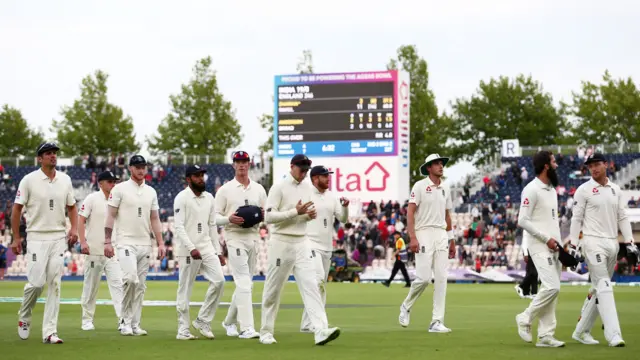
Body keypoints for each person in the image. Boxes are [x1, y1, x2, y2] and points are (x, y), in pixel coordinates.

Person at [260, 154, 340, 345]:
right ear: (292, 167)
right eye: (301, 169)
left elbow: (303, 214)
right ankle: (266, 332)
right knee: (273, 289)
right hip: (281, 242)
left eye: (306, 169)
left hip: (302, 241)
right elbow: (268, 217)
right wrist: (296, 212)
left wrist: (307, 215)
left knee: (312, 285)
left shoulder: (307, 187)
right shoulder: (279, 187)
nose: (304, 173)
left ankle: (320, 330)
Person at [12, 142, 78, 344]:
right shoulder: (28, 180)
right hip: (36, 236)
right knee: (36, 283)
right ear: (39, 158)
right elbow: (16, 210)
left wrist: (74, 229)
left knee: (55, 284)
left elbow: (72, 207)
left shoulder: (65, 180)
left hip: (58, 237)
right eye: (48, 153)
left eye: (54, 153)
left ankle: (50, 332)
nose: (53, 156)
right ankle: (24, 315)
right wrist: (16, 237)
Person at [570, 153, 633, 347]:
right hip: (592, 242)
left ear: (606, 165)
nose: (594, 169)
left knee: (598, 288)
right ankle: (614, 334)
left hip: (612, 244)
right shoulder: (583, 190)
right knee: (605, 285)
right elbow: (576, 219)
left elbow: (622, 217)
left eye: (597, 164)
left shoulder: (615, 190)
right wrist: (573, 243)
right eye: (590, 166)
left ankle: (581, 331)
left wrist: (630, 242)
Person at [104, 155, 166, 336]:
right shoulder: (120, 189)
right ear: (130, 168)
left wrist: (160, 243)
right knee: (130, 279)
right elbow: (110, 216)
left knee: (140, 286)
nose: (141, 170)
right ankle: (124, 320)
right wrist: (107, 241)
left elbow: (155, 218)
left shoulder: (151, 192)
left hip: (144, 243)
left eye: (143, 167)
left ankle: (135, 324)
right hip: (125, 241)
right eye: (137, 167)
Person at [398, 154, 456, 333]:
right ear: (428, 168)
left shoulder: (445, 187)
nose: (440, 166)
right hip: (423, 233)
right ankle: (406, 305)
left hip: (441, 234)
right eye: (436, 164)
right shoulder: (420, 186)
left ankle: (436, 321)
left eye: (441, 163)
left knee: (441, 278)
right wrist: (412, 237)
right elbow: (410, 213)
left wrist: (451, 239)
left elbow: (447, 216)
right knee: (423, 279)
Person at [515, 150, 565, 348]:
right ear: (546, 165)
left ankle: (545, 336)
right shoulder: (531, 189)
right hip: (539, 245)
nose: (556, 165)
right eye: (553, 161)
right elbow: (522, 220)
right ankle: (525, 317)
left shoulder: (552, 189)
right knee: (552, 286)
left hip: (555, 247)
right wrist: (546, 239)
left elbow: (551, 221)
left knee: (551, 291)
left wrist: (561, 246)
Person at [217, 151, 267, 339]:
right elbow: (213, 218)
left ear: (249, 164)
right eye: (238, 162)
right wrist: (228, 219)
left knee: (247, 285)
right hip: (234, 237)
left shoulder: (259, 189)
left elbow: (266, 213)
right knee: (244, 283)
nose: (241, 165)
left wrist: (261, 217)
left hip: (253, 238)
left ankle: (229, 321)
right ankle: (247, 328)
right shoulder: (225, 190)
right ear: (233, 165)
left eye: (244, 161)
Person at [174, 165, 226, 340]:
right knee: (185, 290)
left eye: (202, 175)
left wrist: (218, 251)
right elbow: (179, 227)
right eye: (197, 176)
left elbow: (212, 225)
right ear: (188, 179)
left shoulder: (209, 197)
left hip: (206, 247)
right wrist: (191, 248)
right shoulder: (182, 198)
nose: (201, 179)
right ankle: (183, 330)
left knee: (219, 281)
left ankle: (203, 320)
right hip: (188, 250)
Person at [300, 165, 349, 333]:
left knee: (321, 285)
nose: (328, 178)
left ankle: (307, 324)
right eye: (324, 176)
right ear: (315, 178)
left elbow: (343, 218)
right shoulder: (306, 194)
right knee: (318, 280)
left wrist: (345, 207)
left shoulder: (331, 197)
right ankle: (319, 323)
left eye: (328, 176)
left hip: (327, 246)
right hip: (310, 243)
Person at [78, 171, 124, 331]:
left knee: (119, 285)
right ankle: (87, 320)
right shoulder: (92, 199)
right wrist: (82, 241)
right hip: (94, 250)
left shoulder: (117, 201)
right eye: (110, 181)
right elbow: (81, 219)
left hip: (112, 251)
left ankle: (123, 320)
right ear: (101, 183)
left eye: (114, 181)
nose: (113, 184)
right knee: (90, 287)